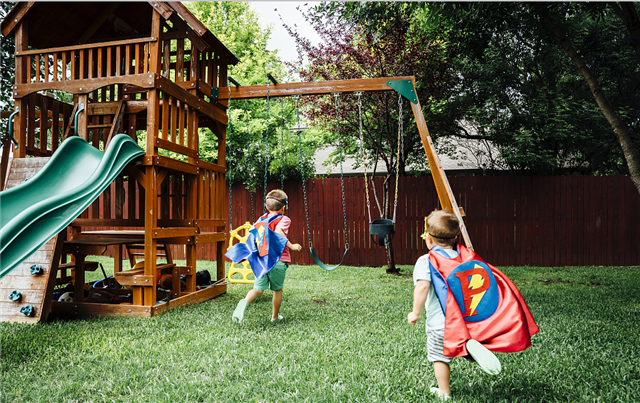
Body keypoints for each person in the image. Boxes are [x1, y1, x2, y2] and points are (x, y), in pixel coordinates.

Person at [408, 209, 501, 400]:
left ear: (429, 240)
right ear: (455, 237)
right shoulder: (465, 257)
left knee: (439, 358)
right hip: (467, 322)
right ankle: (468, 349)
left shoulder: (426, 261)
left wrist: (415, 312)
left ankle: (444, 392)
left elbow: (422, 287)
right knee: (460, 340)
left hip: (440, 325)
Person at [232, 189, 302, 324]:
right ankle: (274, 317)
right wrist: (291, 245)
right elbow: (278, 231)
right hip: (277, 260)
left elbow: (251, 235)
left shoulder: (261, 219)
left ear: (266, 207)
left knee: (257, 290)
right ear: (283, 207)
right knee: (277, 290)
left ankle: (245, 301)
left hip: (262, 260)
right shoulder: (284, 218)